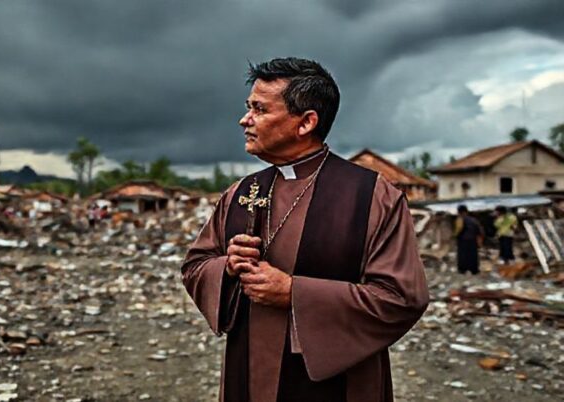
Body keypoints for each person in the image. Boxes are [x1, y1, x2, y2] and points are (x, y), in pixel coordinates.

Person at [181, 58, 429, 402]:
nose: (245, 120)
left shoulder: (372, 196)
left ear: (306, 122)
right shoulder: (240, 193)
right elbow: (195, 266)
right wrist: (227, 267)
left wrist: (294, 293)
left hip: (338, 386)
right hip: (249, 370)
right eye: (248, 107)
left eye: (259, 109)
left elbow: (401, 298)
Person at [455, 204, 483, 274]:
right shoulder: (474, 220)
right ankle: (474, 270)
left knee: (463, 255)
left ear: (459, 212)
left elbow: (459, 229)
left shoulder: (460, 219)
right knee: (473, 255)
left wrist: (455, 236)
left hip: (463, 240)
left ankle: (462, 270)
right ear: (466, 211)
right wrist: (479, 239)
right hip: (473, 240)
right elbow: (479, 230)